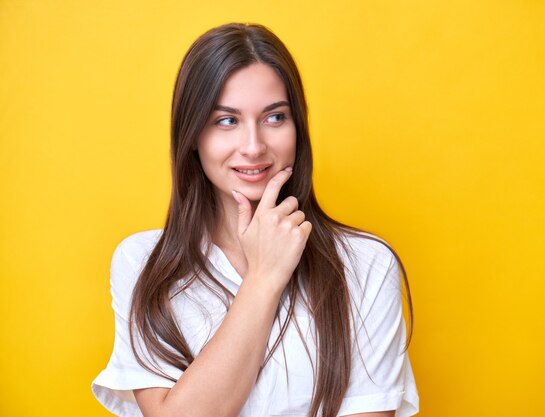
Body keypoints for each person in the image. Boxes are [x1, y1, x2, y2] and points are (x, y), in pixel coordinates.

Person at [92, 23, 419, 417]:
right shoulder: (142, 262)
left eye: (275, 117)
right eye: (226, 120)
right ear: (193, 135)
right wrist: (263, 278)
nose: (253, 146)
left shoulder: (366, 263)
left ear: (298, 128)